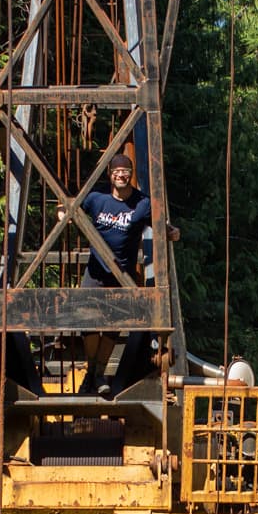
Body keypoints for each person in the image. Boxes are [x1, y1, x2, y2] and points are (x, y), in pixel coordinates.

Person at [79, 153, 179, 397]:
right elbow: (69, 207)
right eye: (117, 171)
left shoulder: (142, 203)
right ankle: (91, 372)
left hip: (121, 274)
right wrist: (62, 213)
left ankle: (99, 374)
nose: (121, 175)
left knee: (112, 327)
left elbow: (159, 226)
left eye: (126, 171)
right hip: (95, 271)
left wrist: (171, 232)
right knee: (86, 322)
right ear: (110, 174)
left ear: (131, 174)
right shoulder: (96, 198)